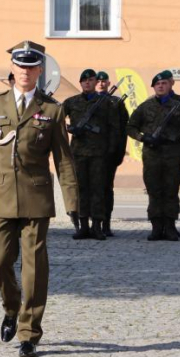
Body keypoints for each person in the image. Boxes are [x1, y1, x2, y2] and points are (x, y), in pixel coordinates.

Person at [0, 40, 78, 357]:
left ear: (39, 70)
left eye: (32, 67)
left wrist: (71, 200)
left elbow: (64, 159)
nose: (26, 72)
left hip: (36, 196)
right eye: (21, 66)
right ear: (12, 69)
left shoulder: (52, 110)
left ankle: (29, 332)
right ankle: (11, 306)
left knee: (34, 268)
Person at [126, 70, 180, 241]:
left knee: (171, 191)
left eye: (164, 83)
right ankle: (156, 227)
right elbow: (131, 127)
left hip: (173, 154)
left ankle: (170, 226)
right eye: (157, 84)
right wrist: (143, 137)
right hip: (152, 155)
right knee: (154, 191)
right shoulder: (146, 106)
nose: (160, 86)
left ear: (170, 84)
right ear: (153, 87)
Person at [62, 69, 119, 240]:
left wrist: (112, 151)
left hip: (99, 154)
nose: (87, 82)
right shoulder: (71, 102)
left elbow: (114, 128)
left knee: (98, 190)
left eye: (91, 80)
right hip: (78, 153)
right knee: (81, 190)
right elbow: (56, 120)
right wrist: (70, 128)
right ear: (80, 83)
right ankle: (83, 226)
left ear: (96, 82)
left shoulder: (106, 103)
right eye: (84, 80)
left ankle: (97, 226)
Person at [95, 70, 129, 236]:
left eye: (104, 80)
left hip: (109, 154)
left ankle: (106, 224)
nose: (101, 83)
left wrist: (119, 153)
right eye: (98, 80)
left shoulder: (116, 102)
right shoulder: (86, 102)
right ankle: (91, 224)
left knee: (106, 189)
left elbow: (123, 129)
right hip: (91, 154)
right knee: (90, 189)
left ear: (109, 83)